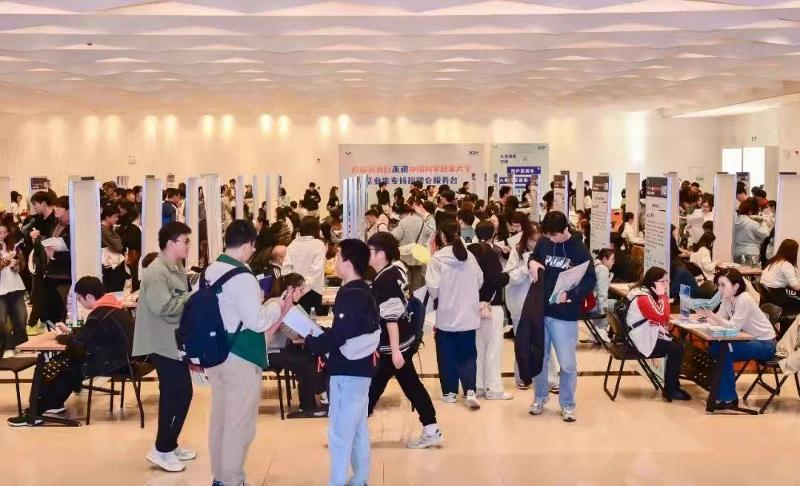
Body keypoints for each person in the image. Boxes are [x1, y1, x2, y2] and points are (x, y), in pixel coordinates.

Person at [204, 220, 287, 486]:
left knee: (220, 419)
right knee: (239, 424)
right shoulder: (243, 277)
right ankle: (232, 480)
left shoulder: (210, 271)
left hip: (214, 354)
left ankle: (220, 477)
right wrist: (277, 305)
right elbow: (257, 321)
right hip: (241, 356)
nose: (253, 251)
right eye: (253, 246)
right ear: (249, 244)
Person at [8, 276, 134, 426]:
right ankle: (48, 405)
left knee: (57, 366)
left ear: (89, 296)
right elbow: (91, 334)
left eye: (80, 299)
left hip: (110, 362)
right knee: (65, 361)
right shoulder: (115, 307)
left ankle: (35, 412)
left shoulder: (99, 313)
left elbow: (77, 341)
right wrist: (71, 334)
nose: (80, 302)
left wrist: (60, 337)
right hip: (122, 359)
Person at [304, 239, 381, 486]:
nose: (334, 262)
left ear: (348, 262)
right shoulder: (364, 290)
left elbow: (340, 335)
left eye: (337, 257)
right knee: (358, 429)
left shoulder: (351, 294)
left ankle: (337, 481)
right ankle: (359, 479)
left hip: (347, 371)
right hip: (361, 368)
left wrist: (312, 341)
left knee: (339, 432)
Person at [366, 232, 443, 448]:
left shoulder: (386, 280)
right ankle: (431, 427)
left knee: (379, 385)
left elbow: (391, 317)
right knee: (405, 384)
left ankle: (348, 429)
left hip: (395, 343)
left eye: (370, 251)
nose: (367, 254)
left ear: (381, 254)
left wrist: (395, 350)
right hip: (402, 340)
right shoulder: (396, 269)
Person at [132, 221, 196, 473]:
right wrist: (192, 297)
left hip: (174, 340)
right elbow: (164, 307)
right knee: (176, 392)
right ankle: (161, 449)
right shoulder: (157, 272)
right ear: (170, 243)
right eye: (185, 241)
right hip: (161, 342)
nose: (189, 245)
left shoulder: (175, 267)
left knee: (182, 393)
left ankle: (170, 443)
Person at [527, 211, 596, 422]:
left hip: (565, 315)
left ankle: (567, 404)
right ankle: (540, 397)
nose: (551, 239)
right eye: (547, 235)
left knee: (567, 363)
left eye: (554, 235)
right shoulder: (544, 242)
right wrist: (532, 263)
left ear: (565, 229)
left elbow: (590, 279)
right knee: (540, 358)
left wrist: (572, 295)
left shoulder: (578, 249)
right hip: (541, 310)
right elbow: (534, 257)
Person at [697, 268, 777, 409]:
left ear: (736, 286)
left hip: (765, 344)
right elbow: (720, 318)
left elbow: (734, 326)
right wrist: (704, 318)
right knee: (716, 347)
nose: (720, 288)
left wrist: (712, 316)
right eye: (718, 285)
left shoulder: (744, 299)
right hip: (749, 339)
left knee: (724, 351)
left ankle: (729, 399)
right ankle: (719, 392)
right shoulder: (727, 297)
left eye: (723, 285)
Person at [426, 219, 483, 409]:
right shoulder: (469, 256)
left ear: (442, 236)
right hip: (469, 315)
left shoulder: (438, 258)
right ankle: (470, 390)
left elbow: (433, 288)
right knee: (468, 354)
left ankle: (449, 392)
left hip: (447, 314)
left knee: (447, 353)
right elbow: (480, 280)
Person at [267, 273, 327, 419]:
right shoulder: (278, 304)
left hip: (279, 348)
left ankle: (308, 405)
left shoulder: (284, 303)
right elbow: (290, 332)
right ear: (290, 289)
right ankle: (320, 397)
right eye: (300, 290)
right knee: (307, 360)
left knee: (306, 358)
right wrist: (307, 333)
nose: (302, 293)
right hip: (270, 351)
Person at [625, 267, 690, 402]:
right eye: (663, 281)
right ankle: (670, 390)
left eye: (667, 281)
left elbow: (658, 316)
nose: (666, 284)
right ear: (652, 282)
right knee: (676, 349)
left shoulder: (644, 292)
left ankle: (673, 385)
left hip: (642, 333)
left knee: (678, 343)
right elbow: (663, 317)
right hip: (639, 338)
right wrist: (663, 296)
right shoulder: (643, 298)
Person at [467, 221, 512, 400]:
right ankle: (493, 388)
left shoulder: (470, 251)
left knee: (477, 348)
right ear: (493, 234)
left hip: (473, 305)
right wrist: (507, 276)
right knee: (493, 348)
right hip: (491, 306)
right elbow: (495, 279)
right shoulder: (489, 253)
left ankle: (477, 385)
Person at [282, 216, 327, 313]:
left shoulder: (293, 244)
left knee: (295, 319)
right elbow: (316, 270)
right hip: (313, 291)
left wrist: (294, 288)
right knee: (312, 319)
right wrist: (303, 288)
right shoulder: (319, 244)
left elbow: (286, 268)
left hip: (294, 291)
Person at [40, 196, 71, 326]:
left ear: (68, 210)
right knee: (49, 311)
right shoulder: (57, 224)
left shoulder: (74, 227)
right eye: (55, 207)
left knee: (62, 310)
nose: (56, 209)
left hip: (64, 275)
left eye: (59, 207)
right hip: (51, 272)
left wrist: (56, 252)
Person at [0, 221, 27, 353]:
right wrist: (5, 261)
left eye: (4, 232)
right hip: (1, 290)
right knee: (1, 322)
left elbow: (22, 263)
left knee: (21, 318)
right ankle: (6, 347)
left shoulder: (12, 245)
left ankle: (22, 346)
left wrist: (16, 264)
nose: (2, 235)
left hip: (15, 286)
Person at [760, 239, 800, 313]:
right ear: (792, 252)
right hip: (778, 298)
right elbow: (795, 287)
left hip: (769, 297)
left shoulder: (773, 261)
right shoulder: (786, 264)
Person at [733, 197, 771, 265]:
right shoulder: (752, 223)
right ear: (751, 211)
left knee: (739, 271)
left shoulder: (735, 221)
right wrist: (764, 222)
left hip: (736, 252)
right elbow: (765, 234)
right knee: (752, 271)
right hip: (751, 253)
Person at [590, 248, 615, 344]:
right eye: (612, 259)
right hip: (591, 305)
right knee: (616, 304)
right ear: (604, 259)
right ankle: (601, 330)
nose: (613, 262)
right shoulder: (603, 269)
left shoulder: (595, 265)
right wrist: (602, 313)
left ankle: (595, 332)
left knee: (605, 303)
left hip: (586, 304)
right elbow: (602, 293)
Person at [100, 206, 127, 293]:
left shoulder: (107, 229)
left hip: (111, 266)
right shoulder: (105, 230)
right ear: (107, 217)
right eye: (115, 216)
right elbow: (118, 246)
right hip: (112, 266)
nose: (117, 219)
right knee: (114, 291)